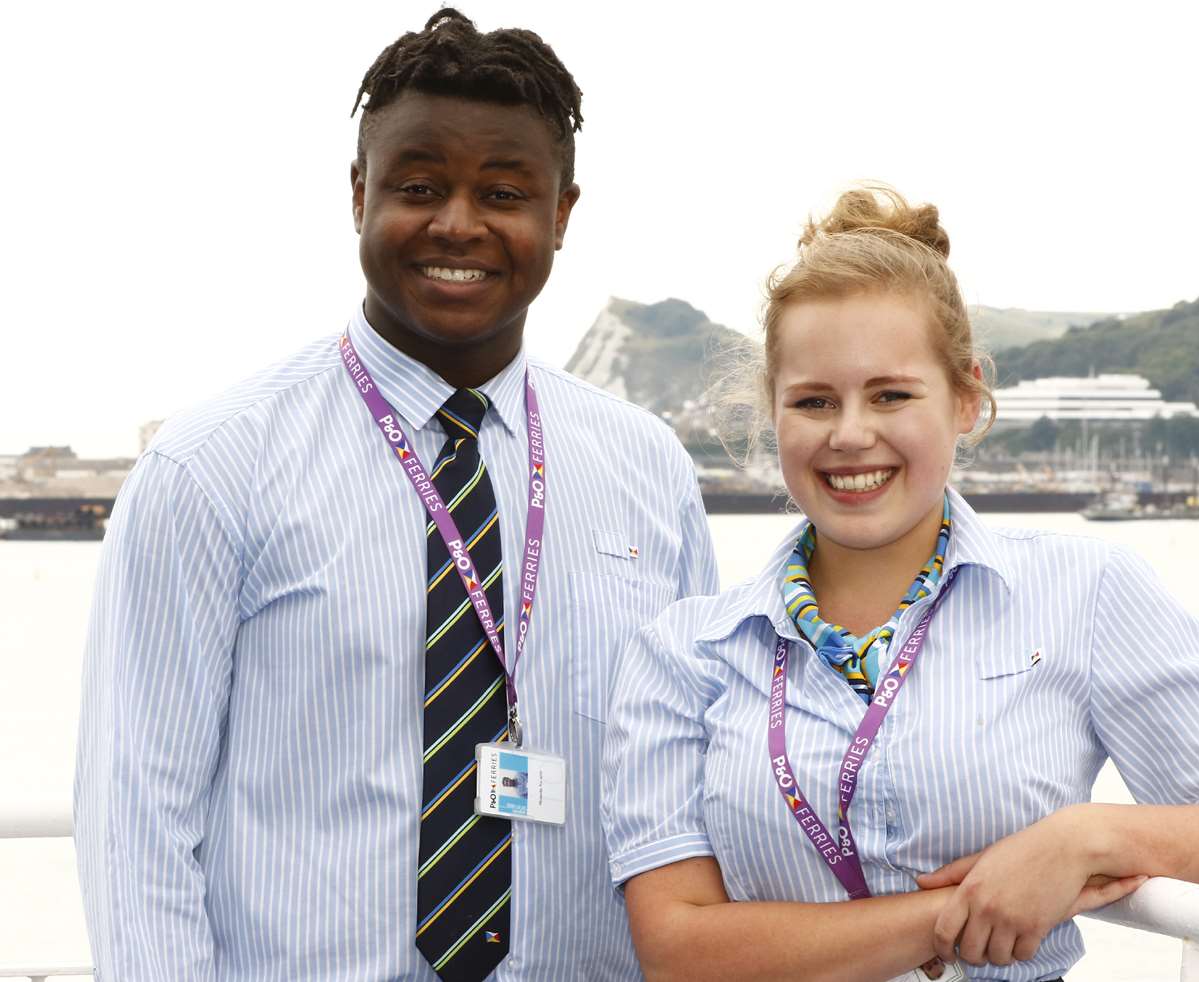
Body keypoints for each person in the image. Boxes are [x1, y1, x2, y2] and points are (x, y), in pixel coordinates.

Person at [74, 9, 717, 981]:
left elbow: (695, 785)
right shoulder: (210, 469)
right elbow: (136, 822)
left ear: (561, 213)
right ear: (358, 193)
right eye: (419, 186)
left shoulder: (649, 471)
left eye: (502, 191)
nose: (458, 223)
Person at [601, 186, 1199, 981]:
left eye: (891, 394)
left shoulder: (1083, 593)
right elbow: (680, 954)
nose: (850, 434)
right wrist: (976, 908)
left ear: (964, 399)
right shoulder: (686, 650)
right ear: (771, 415)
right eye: (813, 401)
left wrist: (1084, 840)